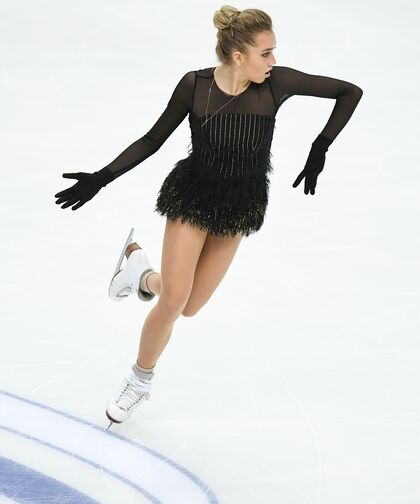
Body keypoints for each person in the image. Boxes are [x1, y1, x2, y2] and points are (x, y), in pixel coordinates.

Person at [54, 5, 363, 428]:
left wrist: (321, 145)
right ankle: (138, 382)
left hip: (240, 203)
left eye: (274, 53)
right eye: (266, 53)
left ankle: (139, 273)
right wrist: (101, 178)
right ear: (239, 56)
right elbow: (152, 139)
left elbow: (350, 91)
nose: (273, 62)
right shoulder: (195, 86)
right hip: (193, 197)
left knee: (190, 306)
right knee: (174, 302)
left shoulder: (277, 84)